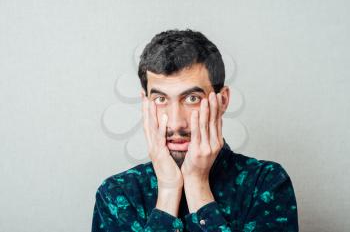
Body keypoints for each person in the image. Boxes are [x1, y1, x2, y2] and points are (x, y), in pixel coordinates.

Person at [91, 29, 299, 232]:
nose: (176, 123)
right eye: (161, 99)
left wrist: (197, 183)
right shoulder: (117, 194)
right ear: (145, 104)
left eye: (192, 99)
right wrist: (169, 190)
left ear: (223, 100)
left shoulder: (265, 184)